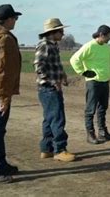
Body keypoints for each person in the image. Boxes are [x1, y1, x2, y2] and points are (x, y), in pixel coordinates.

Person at [34, 18, 76, 162]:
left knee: (49, 118)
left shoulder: (53, 45)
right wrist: (53, 82)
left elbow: (54, 65)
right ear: (53, 32)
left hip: (50, 87)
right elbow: (39, 67)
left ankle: (47, 149)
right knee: (58, 118)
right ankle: (60, 149)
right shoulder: (45, 45)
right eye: (61, 31)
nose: (63, 34)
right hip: (49, 88)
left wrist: (62, 75)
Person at [70, 25, 110, 144]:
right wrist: (83, 72)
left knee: (103, 108)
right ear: (101, 35)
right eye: (108, 36)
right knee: (90, 109)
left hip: (105, 81)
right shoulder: (89, 46)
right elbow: (74, 59)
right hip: (93, 82)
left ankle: (102, 132)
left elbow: (108, 61)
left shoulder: (107, 47)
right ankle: (90, 134)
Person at [0, 4, 22, 184]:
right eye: (15, 18)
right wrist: (4, 99)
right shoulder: (5, 39)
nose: (16, 22)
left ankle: (1, 163)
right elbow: (3, 71)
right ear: (9, 19)